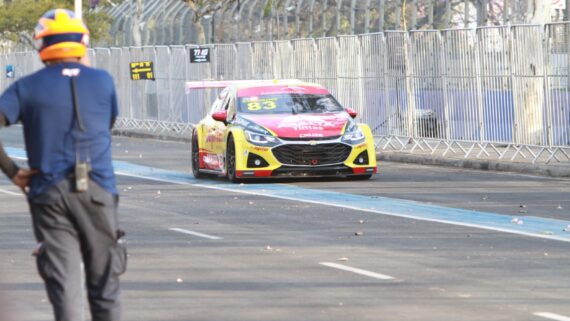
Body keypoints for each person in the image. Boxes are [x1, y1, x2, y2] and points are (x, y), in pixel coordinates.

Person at [0, 9, 126, 321]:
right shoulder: (103, 82)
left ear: (42, 44)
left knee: (65, 288)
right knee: (105, 288)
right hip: (98, 192)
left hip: (49, 194)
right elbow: (107, 122)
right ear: (82, 41)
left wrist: (13, 171)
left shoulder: (26, 87)